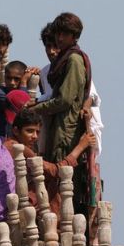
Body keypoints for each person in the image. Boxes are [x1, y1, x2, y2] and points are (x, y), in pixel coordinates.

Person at [5, 110, 95, 220]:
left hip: (20, 203)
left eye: (37, 132)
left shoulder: (12, 145)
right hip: (20, 204)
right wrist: (80, 147)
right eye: (29, 131)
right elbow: (54, 171)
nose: (35, 136)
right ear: (16, 131)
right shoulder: (17, 147)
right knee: (52, 179)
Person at [26, 13, 91, 163]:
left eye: (65, 34)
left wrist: (34, 109)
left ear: (74, 36)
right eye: (58, 34)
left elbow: (64, 100)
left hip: (66, 131)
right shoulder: (62, 61)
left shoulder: (73, 60)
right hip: (59, 128)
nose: (60, 38)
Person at [37, 22, 104, 157]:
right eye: (48, 47)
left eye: (55, 46)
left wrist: (84, 109)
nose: (51, 51)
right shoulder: (45, 73)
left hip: (72, 129)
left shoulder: (73, 63)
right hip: (55, 129)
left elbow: (89, 95)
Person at [0, 61, 40, 137]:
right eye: (8, 78)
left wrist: (38, 78)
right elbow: (22, 105)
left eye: (17, 79)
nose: (12, 82)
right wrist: (23, 82)